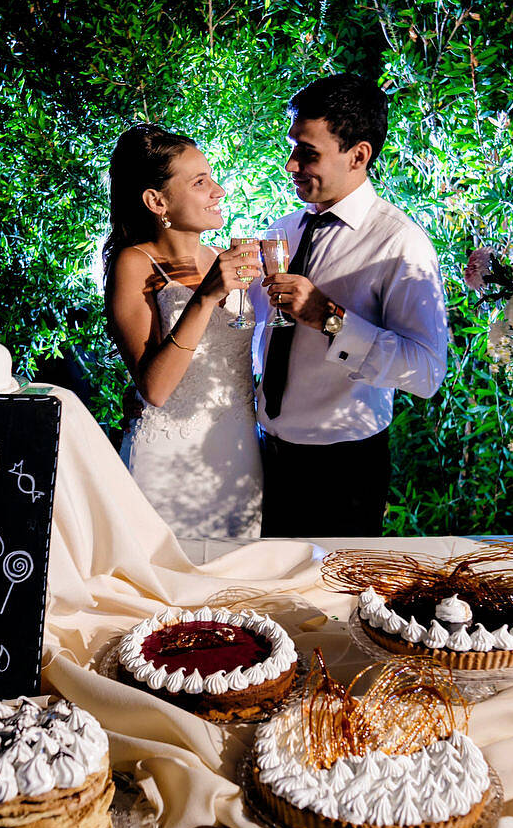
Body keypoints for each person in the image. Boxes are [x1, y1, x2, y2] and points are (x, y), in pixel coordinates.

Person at [254, 74, 449, 537]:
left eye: (308, 152)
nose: (291, 164)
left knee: (332, 605)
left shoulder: (401, 244)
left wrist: (331, 319)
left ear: (358, 155)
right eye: (293, 148)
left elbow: (426, 373)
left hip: (343, 469)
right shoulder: (284, 228)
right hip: (262, 452)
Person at [103, 124, 263, 537]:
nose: (219, 190)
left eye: (211, 177)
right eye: (200, 182)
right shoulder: (134, 264)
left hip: (236, 454)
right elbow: (154, 389)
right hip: (168, 460)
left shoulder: (221, 257)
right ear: (157, 201)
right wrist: (206, 298)